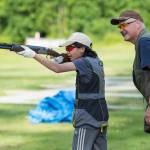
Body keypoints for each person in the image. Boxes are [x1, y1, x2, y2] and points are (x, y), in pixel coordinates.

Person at [16, 32, 109, 150]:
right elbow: (64, 62)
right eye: (66, 49)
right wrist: (61, 58)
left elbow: (57, 68)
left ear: (82, 48)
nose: (68, 51)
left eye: (70, 48)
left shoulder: (83, 62)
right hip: (100, 115)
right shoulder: (95, 60)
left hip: (87, 117)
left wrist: (33, 54)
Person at [110, 10, 150, 133]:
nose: (121, 30)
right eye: (119, 26)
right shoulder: (143, 41)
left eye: (124, 25)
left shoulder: (144, 41)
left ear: (138, 23)